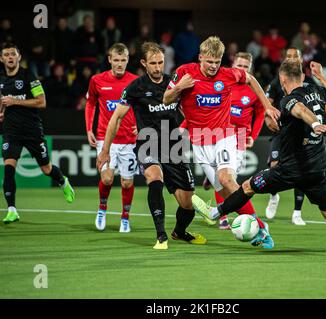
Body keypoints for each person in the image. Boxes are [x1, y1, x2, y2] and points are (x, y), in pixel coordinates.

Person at [212, 60, 326, 260]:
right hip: (317, 170)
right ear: (302, 77)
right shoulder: (316, 91)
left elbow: (299, 109)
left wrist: (315, 123)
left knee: (248, 186)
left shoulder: (288, 100)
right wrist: (320, 76)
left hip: (290, 170)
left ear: (282, 79)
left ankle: (216, 212)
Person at [163, 36, 280, 249]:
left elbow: (251, 79)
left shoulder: (227, 74)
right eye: (209, 62)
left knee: (227, 179)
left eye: (217, 62)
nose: (213, 67)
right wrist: (179, 87)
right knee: (228, 194)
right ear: (200, 58)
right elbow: (166, 99)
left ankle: (260, 230)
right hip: (199, 143)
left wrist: (268, 106)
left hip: (224, 136)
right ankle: (260, 226)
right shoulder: (184, 72)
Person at [97, 42, 213, 249]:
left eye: (161, 62)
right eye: (153, 63)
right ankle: (161, 236)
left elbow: (191, 113)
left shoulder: (173, 84)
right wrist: (105, 150)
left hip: (173, 146)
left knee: (187, 204)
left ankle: (179, 232)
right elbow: (116, 118)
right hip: (147, 143)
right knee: (155, 178)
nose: (158, 67)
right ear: (143, 63)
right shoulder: (135, 88)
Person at [265, 48, 326, 225]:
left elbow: (321, 105)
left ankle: (297, 212)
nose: (292, 58)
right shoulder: (278, 81)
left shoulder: (308, 82)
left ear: (301, 60)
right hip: (283, 130)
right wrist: (267, 117)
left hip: (303, 130)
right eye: (289, 56)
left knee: (302, 166)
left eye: (295, 56)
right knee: (274, 166)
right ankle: (273, 194)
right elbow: (268, 104)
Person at [0, 43, 75, 224]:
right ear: (1, 59)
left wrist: (15, 102)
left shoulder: (29, 76)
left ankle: (63, 181)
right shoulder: (0, 77)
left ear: (19, 57)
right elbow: (6, 99)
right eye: (6, 55)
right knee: (8, 170)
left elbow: (41, 102)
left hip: (32, 131)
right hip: (11, 131)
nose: (10, 57)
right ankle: (12, 209)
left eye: (13, 54)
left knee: (46, 169)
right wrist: (1, 112)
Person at [194, 52, 266, 230]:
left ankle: (219, 208)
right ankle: (223, 216)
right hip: (217, 133)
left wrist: (253, 136)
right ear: (232, 65)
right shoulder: (224, 82)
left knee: (228, 178)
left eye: (245, 67)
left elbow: (261, 113)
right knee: (225, 177)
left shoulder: (252, 89)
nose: (241, 69)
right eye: (239, 66)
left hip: (240, 136)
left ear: (250, 70)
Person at [85, 43, 138, 232]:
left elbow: (143, 106)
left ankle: (125, 218)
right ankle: (102, 208)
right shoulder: (97, 80)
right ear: (109, 60)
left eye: (123, 60)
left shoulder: (136, 81)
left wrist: (140, 125)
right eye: (116, 60)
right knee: (107, 179)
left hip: (129, 141)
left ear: (127, 60)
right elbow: (90, 103)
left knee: (127, 182)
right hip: (105, 138)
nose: (120, 64)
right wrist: (88, 128)